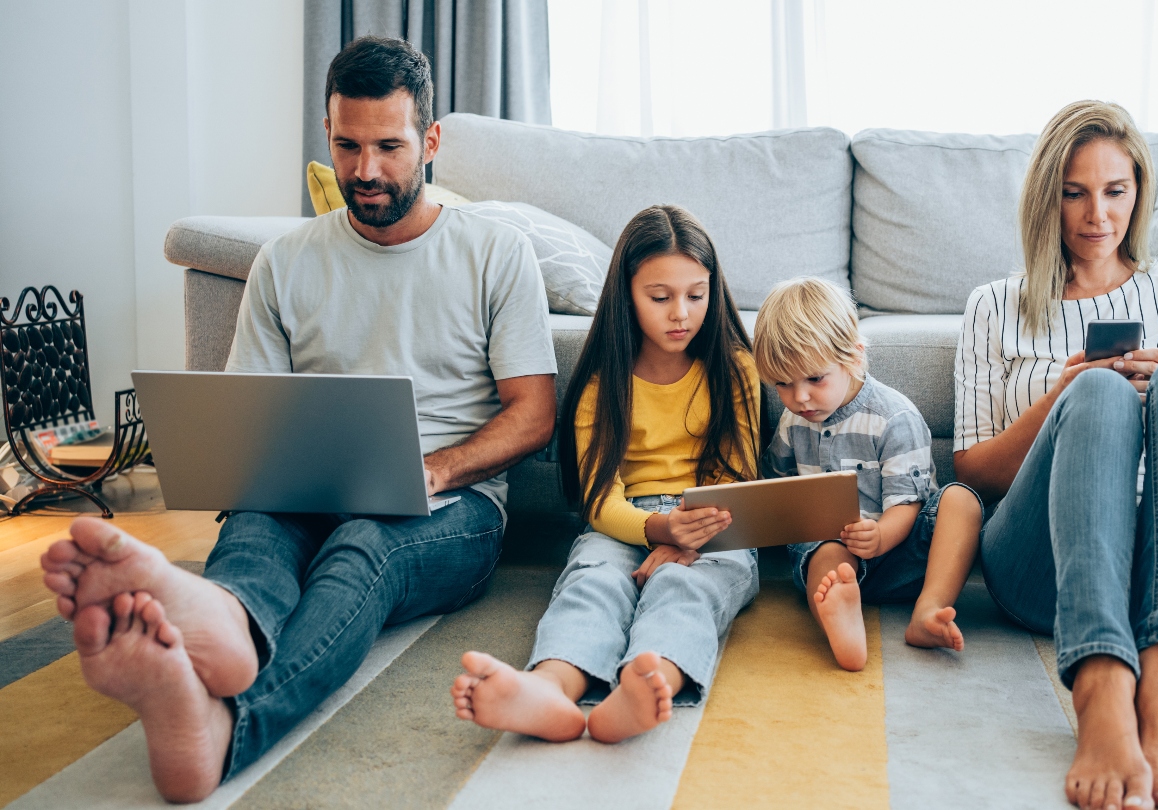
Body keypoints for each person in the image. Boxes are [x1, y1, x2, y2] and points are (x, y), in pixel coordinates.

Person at [38, 36, 557, 801]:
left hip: (454, 510)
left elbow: (535, 415)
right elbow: (251, 415)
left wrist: (433, 468)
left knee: (362, 545)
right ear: (328, 134)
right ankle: (230, 620)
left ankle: (231, 723)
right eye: (347, 147)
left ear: (432, 142)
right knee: (255, 529)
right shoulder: (287, 260)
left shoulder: (496, 254)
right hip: (309, 488)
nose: (366, 171)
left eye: (389, 146)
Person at [954, 100, 1158, 810]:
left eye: (1115, 191)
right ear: (1045, 198)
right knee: (1096, 397)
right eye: (1074, 192)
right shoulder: (993, 304)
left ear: (1139, 192)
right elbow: (972, 471)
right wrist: (1056, 400)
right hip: (1045, 571)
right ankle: (1098, 682)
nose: (1098, 215)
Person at [450, 204, 761, 743]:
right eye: (659, 298)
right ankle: (549, 687)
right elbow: (599, 500)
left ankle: (649, 680)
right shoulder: (603, 380)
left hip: (716, 523)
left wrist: (688, 538)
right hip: (623, 519)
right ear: (627, 295)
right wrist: (660, 531)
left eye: (697, 294)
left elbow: (735, 476)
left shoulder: (734, 368)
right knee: (592, 582)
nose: (681, 313)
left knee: (685, 588)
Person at [753, 277, 982, 671]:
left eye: (814, 378)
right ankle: (840, 615)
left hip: (906, 550)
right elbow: (774, 485)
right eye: (782, 385)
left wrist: (880, 538)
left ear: (854, 358)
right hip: (838, 554)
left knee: (962, 499)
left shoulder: (894, 417)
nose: (799, 397)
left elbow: (908, 504)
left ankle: (929, 610)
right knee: (824, 552)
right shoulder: (794, 422)